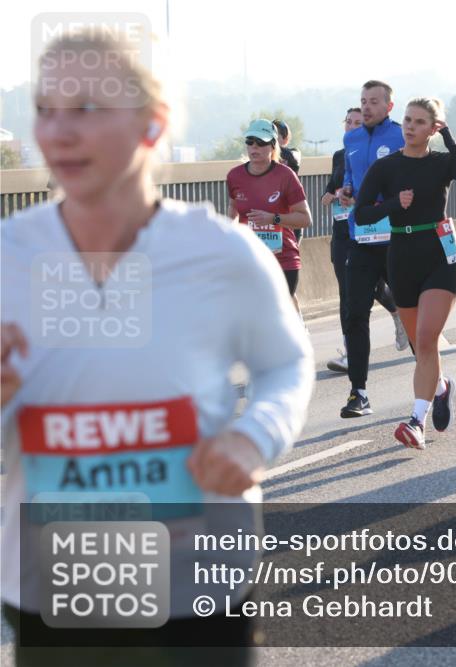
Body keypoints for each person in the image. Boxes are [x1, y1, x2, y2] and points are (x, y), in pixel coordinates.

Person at [1, 31, 313, 666]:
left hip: (198, 577)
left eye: (87, 108)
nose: (57, 132)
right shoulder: (10, 256)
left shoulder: (221, 250)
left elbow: (287, 362)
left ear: (153, 124)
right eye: (46, 108)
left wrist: (254, 436)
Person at [353, 98, 456, 449]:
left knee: (426, 339)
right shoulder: (386, 167)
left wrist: (452, 143)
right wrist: (395, 205)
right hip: (401, 257)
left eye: (420, 122)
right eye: (408, 120)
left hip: (440, 256)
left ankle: (416, 422)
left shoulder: (443, 162)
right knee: (420, 347)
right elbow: (362, 214)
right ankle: (441, 388)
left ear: (433, 128)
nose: (410, 127)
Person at [320, 108, 407, 374]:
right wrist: (335, 195)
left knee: (381, 287)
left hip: (378, 229)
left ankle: (405, 319)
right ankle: (351, 353)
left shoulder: (384, 148)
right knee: (347, 295)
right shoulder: (341, 153)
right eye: (349, 121)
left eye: (358, 122)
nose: (353, 126)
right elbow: (335, 187)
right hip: (345, 231)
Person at [338, 81, 406, 418]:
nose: (366, 107)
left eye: (374, 101)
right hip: (361, 236)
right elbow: (350, 178)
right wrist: (346, 191)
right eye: (362, 101)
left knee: (412, 312)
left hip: (397, 238)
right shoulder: (350, 138)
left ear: (389, 106)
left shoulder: (400, 136)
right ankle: (358, 392)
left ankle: (436, 385)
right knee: (355, 314)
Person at [226, 118, 313, 315]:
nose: (254, 147)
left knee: (275, 315)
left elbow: (305, 219)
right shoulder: (234, 176)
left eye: (261, 142)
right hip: (251, 259)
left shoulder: (286, 175)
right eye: (250, 142)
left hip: (283, 259)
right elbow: (232, 211)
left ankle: (294, 337)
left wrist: (273, 218)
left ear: (273, 145)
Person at [273, 119, 304, 244]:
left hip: (291, 212)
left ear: (285, 138)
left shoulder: (292, 154)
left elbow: (294, 158)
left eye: (275, 135)